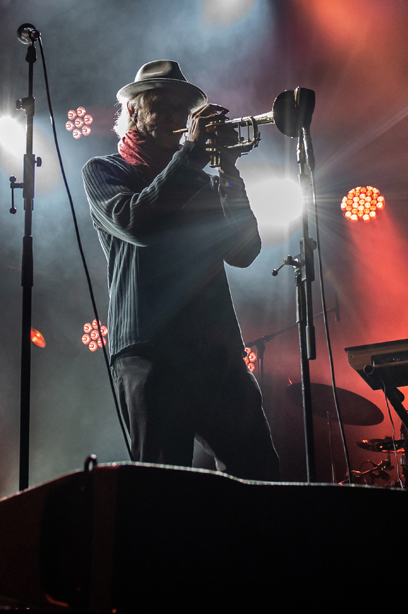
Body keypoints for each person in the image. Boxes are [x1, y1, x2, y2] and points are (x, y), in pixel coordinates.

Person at [82, 60, 280, 479]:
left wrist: (229, 171)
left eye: (182, 110)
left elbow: (243, 251)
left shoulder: (199, 180)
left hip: (216, 350)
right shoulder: (107, 171)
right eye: (164, 106)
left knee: (261, 477)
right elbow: (136, 223)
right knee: (163, 488)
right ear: (134, 111)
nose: (177, 117)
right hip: (151, 350)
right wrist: (191, 156)